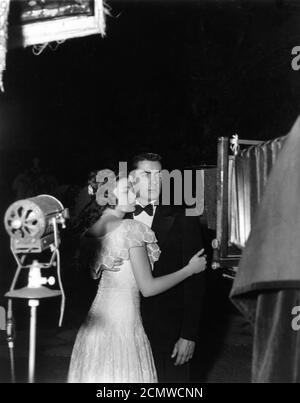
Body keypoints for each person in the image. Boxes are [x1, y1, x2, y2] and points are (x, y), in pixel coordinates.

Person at [68, 169, 206, 383]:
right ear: (112, 196)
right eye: (128, 190)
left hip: (95, 325)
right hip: (124, 325)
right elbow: (148, 288)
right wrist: (190, 269)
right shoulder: (130, 229)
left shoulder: (92, 231)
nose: (134, 194)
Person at [126, 152, 206, 383]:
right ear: (131, 179)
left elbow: (196, 282)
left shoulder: (183, 217)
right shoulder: (117, 218)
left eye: (159, 175)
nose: (154, 181)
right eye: (147, 174)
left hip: (169, 331)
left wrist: (188, 335)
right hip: (124, 327)